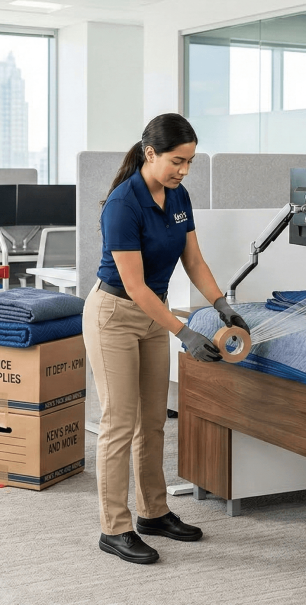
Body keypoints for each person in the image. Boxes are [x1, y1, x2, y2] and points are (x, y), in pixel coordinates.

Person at [84, 113, 250, 564]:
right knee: (119, 422)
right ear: (150, 153)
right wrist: (185, 331)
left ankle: (153, 513)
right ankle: (113, 528)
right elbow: (134, 285)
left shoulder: (179, 196)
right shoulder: (123, 204)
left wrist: (222, 304)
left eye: (191, 162)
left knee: (153, 421)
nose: (184, 171)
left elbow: (193, 260)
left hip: (151, 315)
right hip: (114, 315)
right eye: (178, 161)